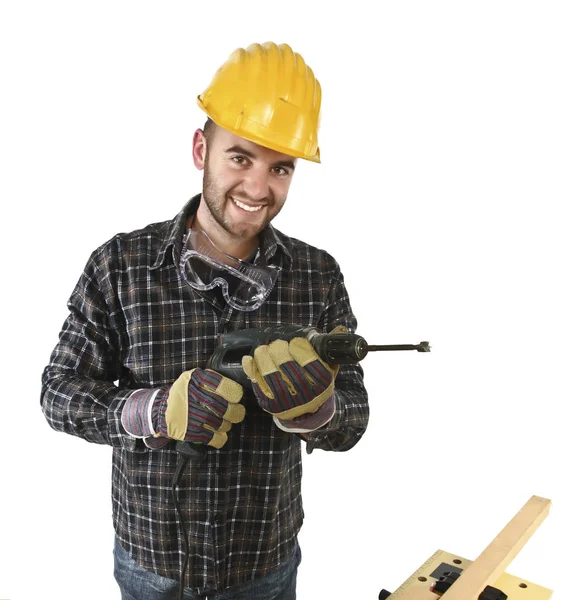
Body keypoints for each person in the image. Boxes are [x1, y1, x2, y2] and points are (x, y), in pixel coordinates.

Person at [41, 41, 369, 600]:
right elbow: (57, 394)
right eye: (239, 157)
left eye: (280, 168)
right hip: (152, 565)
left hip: (264, 565)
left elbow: (355, 416)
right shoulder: (120, 265)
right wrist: (151, 410)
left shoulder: (317, 275)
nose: (258, 188)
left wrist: (319, 410)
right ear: (202, 148)